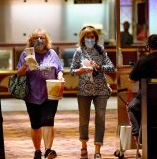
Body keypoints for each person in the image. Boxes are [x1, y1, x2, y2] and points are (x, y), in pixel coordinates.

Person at [16, 28, 64, 159]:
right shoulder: (26, 54)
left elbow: (59, 69)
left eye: (42, 37)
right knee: (36, 124)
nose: (39, 40)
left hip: (51, 93)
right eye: (36, 38)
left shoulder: (52, 53)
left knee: (48, 121)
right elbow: (18, 74)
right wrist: (25, 65)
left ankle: (48, 150)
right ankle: (37, 150)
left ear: (46, 40)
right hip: (32, 95)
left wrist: (60, 77)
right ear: (31, 41)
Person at [70, 26, 115, 159]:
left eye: (92, 37)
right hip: (84, 90)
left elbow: (111, 67)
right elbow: (72, 71)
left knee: (100, 118)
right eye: (87, 37)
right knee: (84, 119)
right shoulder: (79, 51)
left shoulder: (101, 50)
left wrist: (98, 67)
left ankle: (97, 149)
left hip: (101, 89)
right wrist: (81, 70)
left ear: (96, 38)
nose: (90, 39)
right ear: (83, 39)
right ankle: (83, 145)